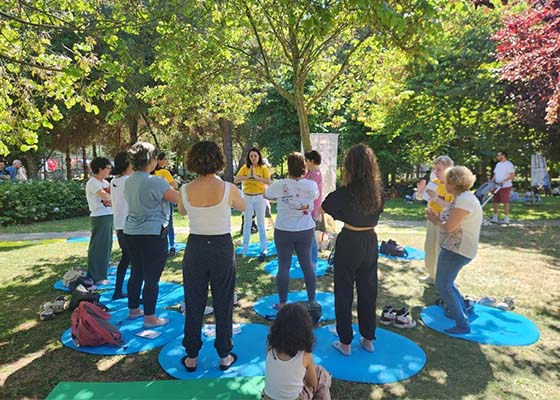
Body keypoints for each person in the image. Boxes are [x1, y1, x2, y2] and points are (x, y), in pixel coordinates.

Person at [178, 141, 245, 372]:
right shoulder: (228, 188)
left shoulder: (185, 189)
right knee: (223, 302)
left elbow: (182, 210)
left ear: (193, 161)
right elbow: (244, 206)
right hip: (221, 248)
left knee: (194, 302)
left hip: (196, 247)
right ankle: (224, 354)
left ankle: (192, 356)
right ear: (218, 160)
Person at [321, 144, 384, 356]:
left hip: (350, 241)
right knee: (368, 290)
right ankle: (367, 339)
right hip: (369, 240)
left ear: (350, 166)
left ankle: (345, 342)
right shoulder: (377, 193)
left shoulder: (345, 193)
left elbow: (324, 207)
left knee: (344, 292)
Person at [124, 142, 179, 327]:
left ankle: (133, 310)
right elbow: (177, 199)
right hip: (152, 234)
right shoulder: (155, 181)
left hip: (131, 232)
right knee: (152, 277)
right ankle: (150, 317)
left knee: (136, 272)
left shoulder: (128, 180)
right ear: (151, 160)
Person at [426, 166, 482, 334]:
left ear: (453, 183)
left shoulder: (464, 200)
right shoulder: (462, 197)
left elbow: (449, 227)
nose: (444, 184)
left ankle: (462, 323)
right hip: (454, 248)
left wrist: (435, 219)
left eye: (447, 181)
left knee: (443, 285)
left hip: (457, 250)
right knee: (447, 284)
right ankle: (461, 314)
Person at [265, 152, 319, 310]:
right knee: (307, 265)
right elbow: (314, 197)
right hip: (306, 229)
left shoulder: (279, 184)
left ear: (288, 167)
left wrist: (280, 197)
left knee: (283, 266)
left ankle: (282, 302)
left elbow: (266, 194)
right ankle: (312, 300)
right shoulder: (311, 185)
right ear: (303, 166)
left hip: (283, 230)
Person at [263, 303, 332, 400]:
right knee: (321, 374)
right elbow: (313, 383)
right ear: (305, 330)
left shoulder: (270, 349)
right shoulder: (305, 356)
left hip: (268, 397)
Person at [415, 156, 454, 282]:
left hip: (444, 222)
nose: (435, 172)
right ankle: (431, 275)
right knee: (430, 247)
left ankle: (442, 278)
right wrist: (420, 192)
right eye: (434, 169)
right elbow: (421, 198)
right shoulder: (434, 183)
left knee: (441, 250)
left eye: (439, 169)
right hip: (431, 220)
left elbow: (452, 208)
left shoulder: (453, 187)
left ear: (448, 169)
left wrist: (436, 198)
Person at [234, 147, 272, 262]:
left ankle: (263, 249)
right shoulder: (245, 168)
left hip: (259, 196)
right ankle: (245, 248)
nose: (253, 158)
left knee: (261, 223)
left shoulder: (263, 168)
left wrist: (256, 177)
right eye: (251, 156)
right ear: (249, 157)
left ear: (259, 156)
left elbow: (268, 181)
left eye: (255, 156)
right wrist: (248, 177)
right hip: (247, 196)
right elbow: (236, 180)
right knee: (247, 222)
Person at [85, 157, 113, 285]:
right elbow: (105, 196)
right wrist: (112, 198)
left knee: (107, 245)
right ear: (100, 169)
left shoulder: (105, 183)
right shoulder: (93, 182)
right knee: (99, 246)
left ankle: (103, 270)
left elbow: (111, 198)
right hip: (99, 215)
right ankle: (96, 275)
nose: (109, 170)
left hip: (108, 214)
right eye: (107, 168)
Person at [110, 152, 132, 300]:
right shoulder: (128, 181)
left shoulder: (113, 181)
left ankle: (118, 290)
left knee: (126, 258)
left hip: (119, 224)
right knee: (134, 260)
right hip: (129, 225)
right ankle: (133, 294)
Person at [153, 152, 179, 257]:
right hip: (166, 199)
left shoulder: (151, 173)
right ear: (158, 160)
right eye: (164, 159)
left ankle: (158, 246)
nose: (166, 161)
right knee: (169, 222)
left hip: (154, 200)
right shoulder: (164, 172)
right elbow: (174, 185)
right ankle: (172, 246)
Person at [304, 150, 323, 268]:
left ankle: (313, 262)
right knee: (308, 236)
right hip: (308, 209)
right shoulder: (310, 173)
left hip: (312, 210)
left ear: (311, 161)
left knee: (311, 237)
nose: (305, 163)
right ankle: (310, 260)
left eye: (306, 160)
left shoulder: (315, 175)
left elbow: (307, 190)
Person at [491, 150, 515, 224]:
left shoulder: (509, 164)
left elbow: (512, 176)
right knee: (495, 201)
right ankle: (495, 217)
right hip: (496, 185)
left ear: (503, 156)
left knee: (505, 202)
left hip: (505, 186)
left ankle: (506, 218)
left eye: (499, 155)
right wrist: (491, 183)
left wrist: (503, 181)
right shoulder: (498, 164)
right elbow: (495, 175)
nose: (497, 157)